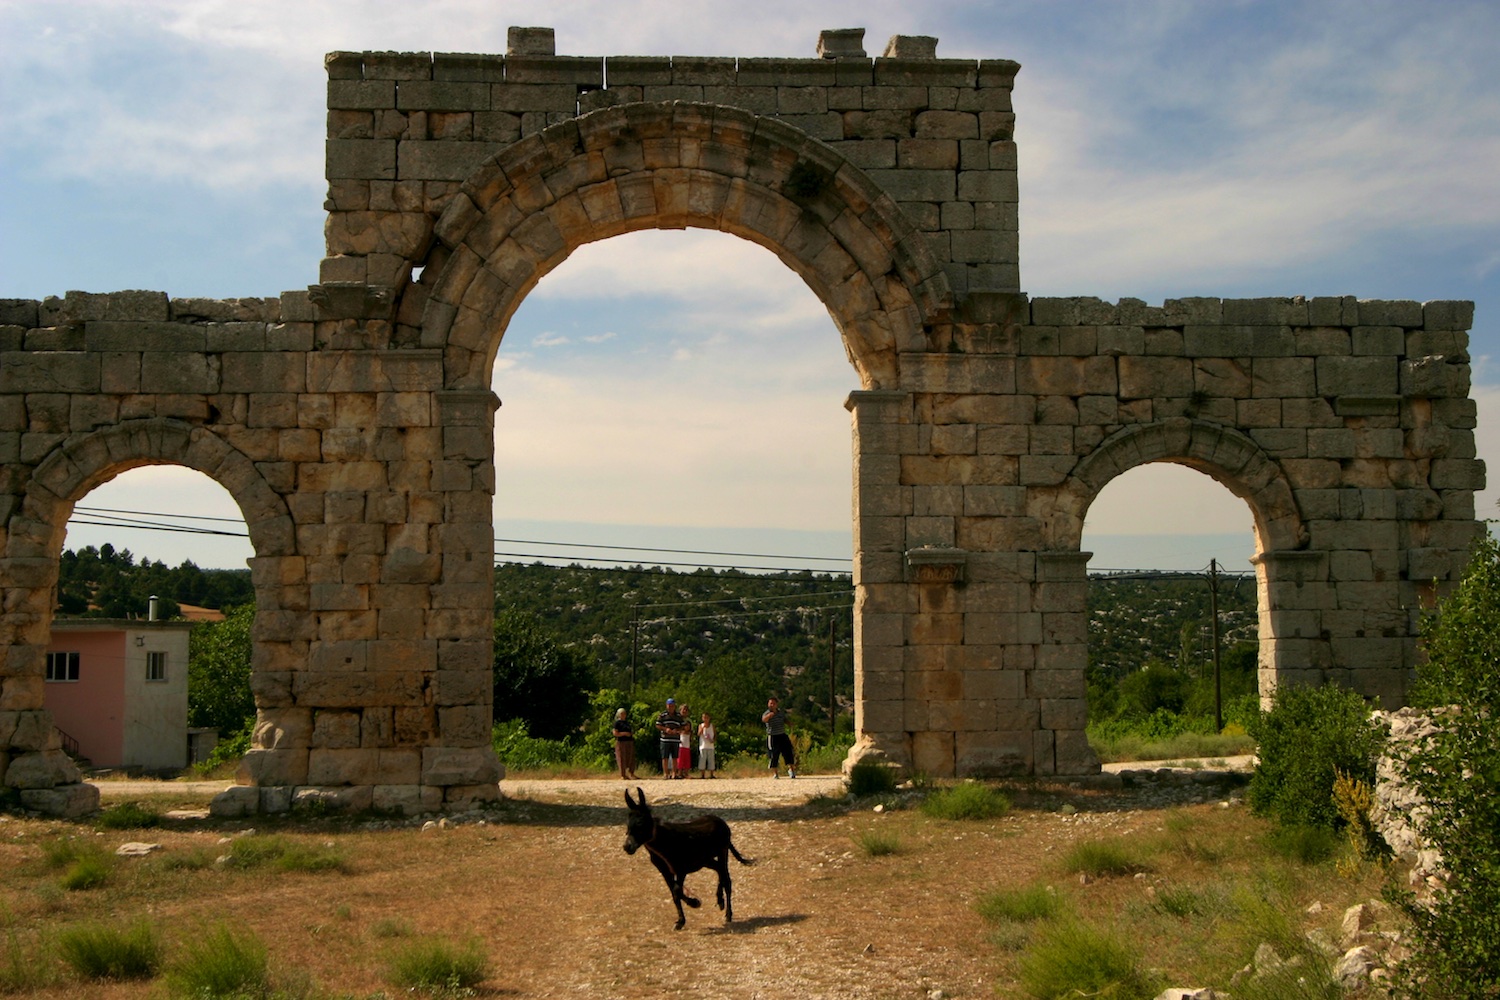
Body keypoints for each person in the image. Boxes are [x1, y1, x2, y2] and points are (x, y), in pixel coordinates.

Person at [762, 695, 797, 778]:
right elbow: (764, 719)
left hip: (782, 735)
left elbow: (784, 719)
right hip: (773, 736)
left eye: (773, 703)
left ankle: (791, 770)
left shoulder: (780, 712)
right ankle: (775, 773)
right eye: (770, 703)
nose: (772, 705)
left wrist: (790, 724)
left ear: (776, 704)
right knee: (774, 755)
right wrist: (770, 716)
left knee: (788, 752)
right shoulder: (767, 713)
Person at [656, 698, 683, 779]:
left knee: (675, 757)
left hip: (675, 739)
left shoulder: (678, 716)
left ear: (674, 706)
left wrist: (677, 730)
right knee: (665, 757)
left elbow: (683, 726)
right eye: (669, 706)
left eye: (672, 706)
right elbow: (658, 725)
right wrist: (665, 729)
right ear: (666, 706)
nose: (670, 707)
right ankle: (666, 773)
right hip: (665, 739)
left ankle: (674, 773)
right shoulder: (662, 715)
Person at [612, 708, 638, 780]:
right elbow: (615, 733)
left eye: (624, 713)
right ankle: (623, 775)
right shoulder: (617, 723)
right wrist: (624, 734)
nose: (623, 715)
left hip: (629, 741)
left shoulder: (627, 723)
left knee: (630, 758)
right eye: (621, 714)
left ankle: (631, 773)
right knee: (621, 758)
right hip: (621, 742)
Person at [697, 711, 717, 779]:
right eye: (704, 717)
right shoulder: (701, 725)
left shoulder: (712, 726)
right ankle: (702, 775)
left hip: (710, 746)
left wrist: (713, 740)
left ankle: (711, 774)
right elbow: (699, 734)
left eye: (707, 718)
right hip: (703, 745)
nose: (705, 719)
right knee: (702, 759)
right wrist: (703, 728)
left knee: (711, 760)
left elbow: (715, 735)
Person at [675, 703, 693, 778]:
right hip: (679, 743)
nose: (684, 711)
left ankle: (685, 773)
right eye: (683, 709)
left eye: (686, 710)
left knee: (686, 760)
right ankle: (678, 773)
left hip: (687, 745)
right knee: (679, 759)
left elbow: (691, 731)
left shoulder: (688, 720)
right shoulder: (677, 719)